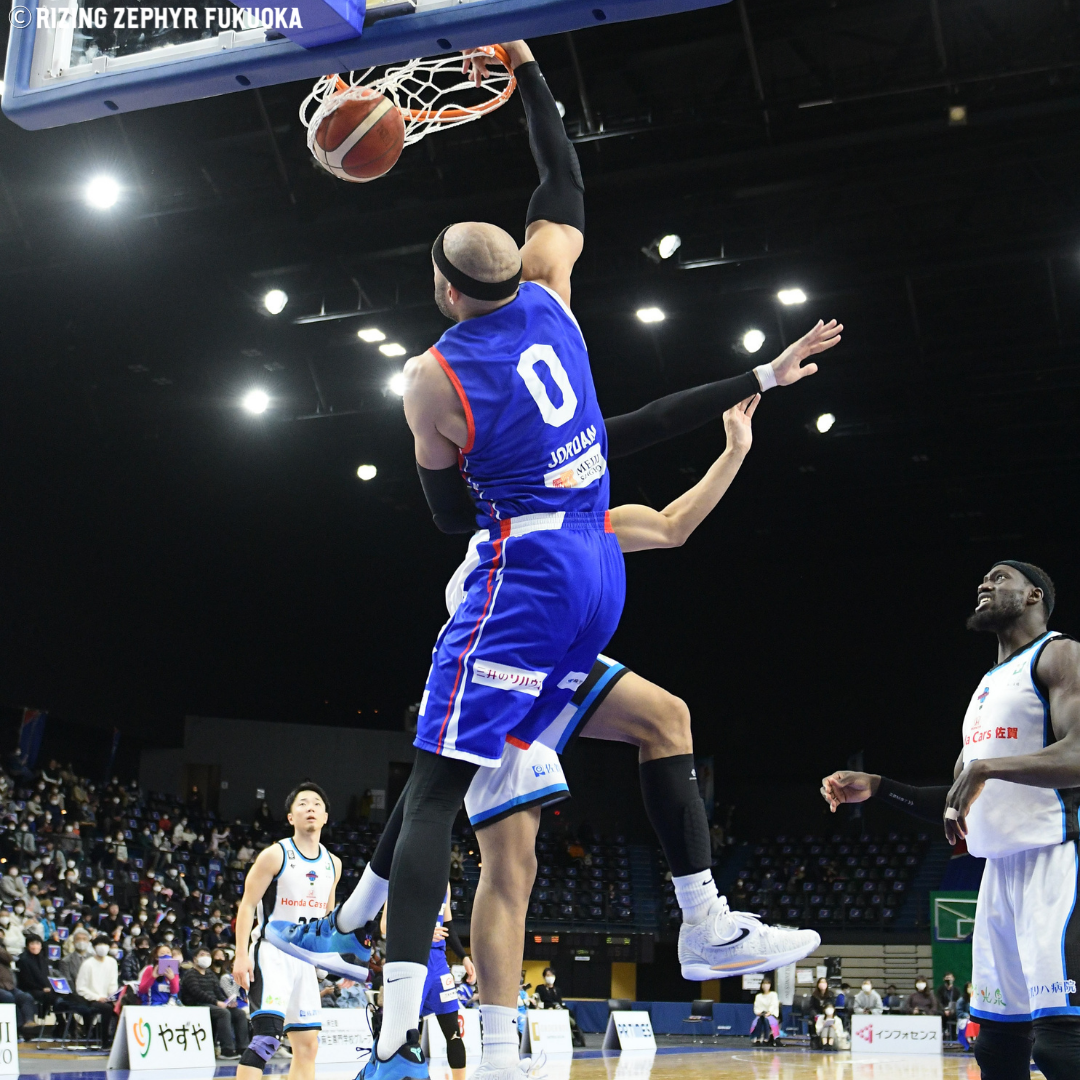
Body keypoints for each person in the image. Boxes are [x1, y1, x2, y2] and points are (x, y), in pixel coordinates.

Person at [272, 321, 835, 1076]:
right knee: (509, 864)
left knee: (667, 717)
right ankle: (491, 1047)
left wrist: (734, 449)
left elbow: (672, 526)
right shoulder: (513, 506)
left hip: (557, 662)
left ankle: (704, 918)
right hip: (501, 657)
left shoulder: (586, 515)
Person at [821, 561, 1080, 1080]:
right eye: (984, 578)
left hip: (1057, 862)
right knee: (997, 1049)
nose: (985, 583)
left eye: (1000, 577)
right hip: (998, 875)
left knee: (1061, 1047)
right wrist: (879, 786)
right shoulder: (986, 687)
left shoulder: (1059, 654)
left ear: (1034, 595)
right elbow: (961, 802)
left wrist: (985, 767)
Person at [231, 783, 343, 1080]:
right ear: (291, 817)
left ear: (325, 817)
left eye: (317, 803)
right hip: (273, 953)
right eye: (302, 803)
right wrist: (240, 955)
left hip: (305, 957)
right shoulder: (274, 854)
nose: (310, 807)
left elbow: (327, 918)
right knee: (266, 1039)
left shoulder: (334, 864)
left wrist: (329, 959)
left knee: (308, 1046)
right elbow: (247, 905)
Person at [380, 887, 473, 1080]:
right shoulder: (401, 873)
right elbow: (385, 926)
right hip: (411, 960)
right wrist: (423, 933)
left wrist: (464, 957)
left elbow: (448, 926)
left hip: (438, 964)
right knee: (404, 1035)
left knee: (454, 1033)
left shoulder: (445, 882)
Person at [181, 946, 248, 1060]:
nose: (205, 957)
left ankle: (242, 1048)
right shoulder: (190, 974)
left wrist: (226, 1002)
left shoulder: (210, 974)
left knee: (239, 1013)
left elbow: (217, 991)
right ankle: (226, 1050)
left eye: (208, 955)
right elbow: (197, 993)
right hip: (197, 1004)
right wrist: (217, 1002)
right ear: (195, 959)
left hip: (213, 1004)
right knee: (223, 1013)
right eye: (202, 955)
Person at [74, 936, 118, 1048]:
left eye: (105, 945)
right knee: (107, 1008)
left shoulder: (112, 962)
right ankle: (105, 1040)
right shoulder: (88, 964)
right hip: (90, 999)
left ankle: (116, 1039)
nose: (103, 947)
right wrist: (97, 997)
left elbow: (113, 983)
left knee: (118, 1006)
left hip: (107, 998)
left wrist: (113, 997)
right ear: (94, 947)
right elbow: (81, 988)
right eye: (99, 945)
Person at [0, 946, 38, 1038]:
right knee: (8, 997)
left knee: (26, 997)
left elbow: (9, 958)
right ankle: (19, 1027)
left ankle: (29, 1023)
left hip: (8, 986)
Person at [16, 935, 54, 1018]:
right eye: (32, 944)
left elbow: (46, 977)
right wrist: (42, 988)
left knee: (62, 996)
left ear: (41, 946)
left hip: (44, 988)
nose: (35, 946)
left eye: (37, 943)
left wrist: (49, 987)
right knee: (51, 996)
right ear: (27, 946)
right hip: (30, 989)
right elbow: (25, 981)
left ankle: (66, 1022)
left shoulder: (43, 959)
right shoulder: (23, 959)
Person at [751, 977, 780, 1045]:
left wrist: (769, 1013)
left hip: (772, 1014)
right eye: (764, 984)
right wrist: (759, 1013)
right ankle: (757, 1039)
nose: (765, 986)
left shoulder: (773, 994)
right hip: (761, 1014)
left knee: (766, 1020)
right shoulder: (758, 996)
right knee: (759, 1020)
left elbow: (774, 1005)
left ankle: (766, 1039)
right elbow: (756, 1007)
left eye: (767, 984)